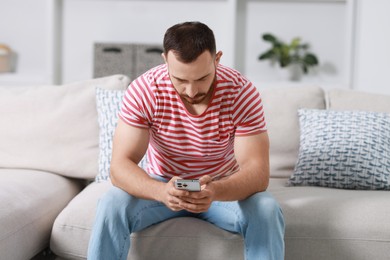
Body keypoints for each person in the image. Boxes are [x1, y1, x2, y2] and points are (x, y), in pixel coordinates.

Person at [88, 21, 285, 260]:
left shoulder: (241, 92)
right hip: (162, 184)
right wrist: (162, 192)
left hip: (221, 187)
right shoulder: (145, 90)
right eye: (180, 80)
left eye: (202, 78)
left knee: (266, 209)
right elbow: (120, 167)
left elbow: (258, 172)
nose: (191, 91)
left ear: (217, 59)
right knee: (111, 203)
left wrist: (216, 190)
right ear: (165, 61)